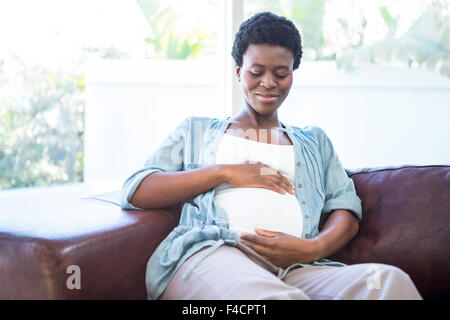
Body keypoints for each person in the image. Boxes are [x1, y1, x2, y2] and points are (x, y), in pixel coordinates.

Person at [121, 12, 422, 300]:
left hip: (297, 268)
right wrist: (224, 172)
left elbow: (346, 209)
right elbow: (138, 190)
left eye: (281, 73)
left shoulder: (314, 141)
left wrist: (312, 249)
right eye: (256, 72)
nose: (268, 83)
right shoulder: (197, 131)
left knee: (388, 283)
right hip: (216, 256)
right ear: (239, 72)